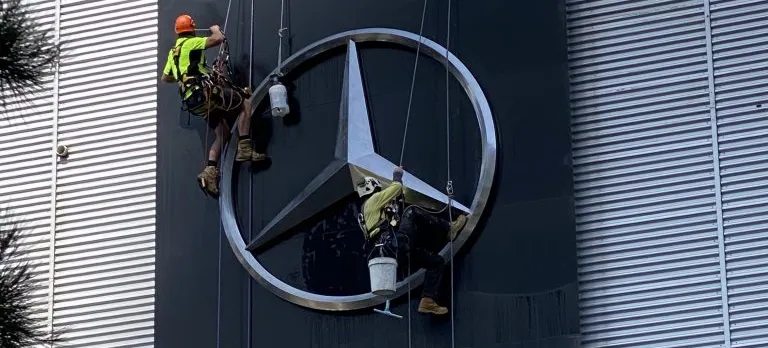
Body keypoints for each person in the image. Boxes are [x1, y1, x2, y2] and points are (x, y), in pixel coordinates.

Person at [160, 14, 266, 197]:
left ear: (177, 32)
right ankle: (244, 147)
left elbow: (165, 78)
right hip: (204, 94)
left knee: (222, 133)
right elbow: (218, 39)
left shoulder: (173, 52)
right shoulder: (191, 43)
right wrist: (215, 29)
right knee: (245, 103)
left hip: (193, 102)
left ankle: (209, 172)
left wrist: (186, 75)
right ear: (192, 29)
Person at [357, 166, 467, 315]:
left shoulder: (364, 214)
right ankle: (449, 227)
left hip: (392, 255)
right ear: (373, 189)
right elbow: (396, 187)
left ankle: (427, 300)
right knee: (412, 212)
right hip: (395, 245)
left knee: (436, 262)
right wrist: (397, 174)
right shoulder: (373, 201)